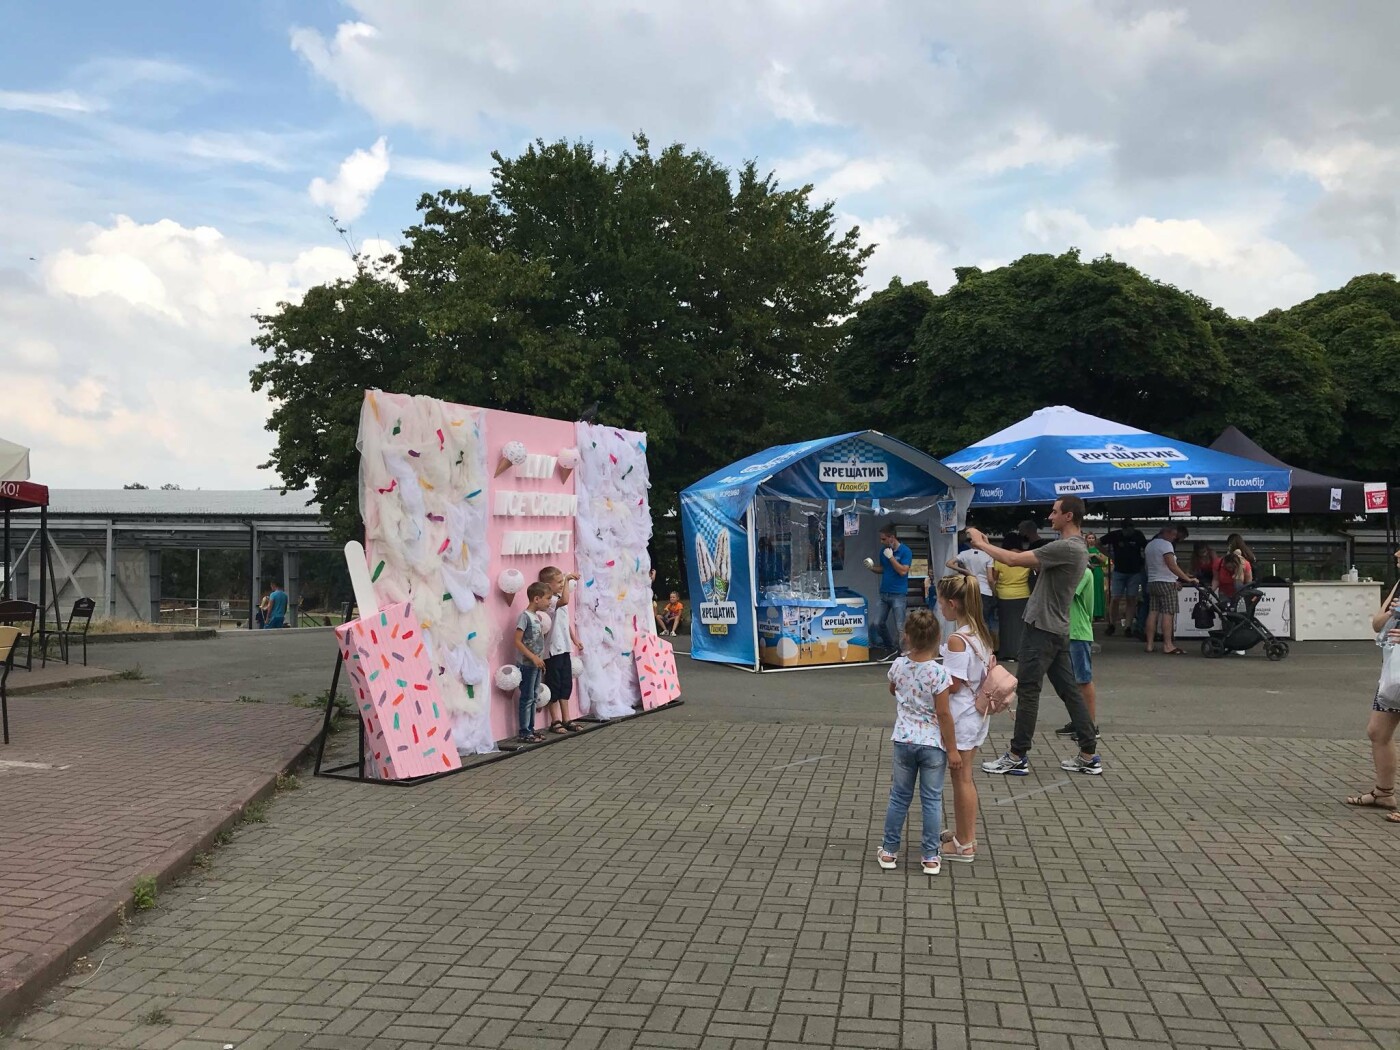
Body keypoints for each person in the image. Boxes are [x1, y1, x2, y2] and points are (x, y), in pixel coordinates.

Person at [967, 495, 1102, 776]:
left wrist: (981, 544)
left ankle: (1017, 755)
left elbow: (1015, 559)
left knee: (1028, 690)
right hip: (1057, 629)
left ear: (1068, 516)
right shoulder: (1073, 549)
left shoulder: (1066, 547)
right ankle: (1088, 754)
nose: (1050, 517)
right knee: (1069, 690)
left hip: (1041, 629)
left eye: (1054, 512)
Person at [875, 609, 957, 876]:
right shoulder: (939, 673)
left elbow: (892, 689)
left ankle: (889, 850)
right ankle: (930, 856)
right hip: (933, 743)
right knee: (931, 800)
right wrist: (953, 749)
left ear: (906, 636)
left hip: (904, 739)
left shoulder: (898, 665)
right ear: (939, 637)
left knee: (899, 797)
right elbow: (944, 713)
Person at [933, 574, 994, 863]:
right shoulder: (979, 632)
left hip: (962, 714)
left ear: (952, 604)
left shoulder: (957, 639)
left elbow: (954, 684)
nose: (939, 606)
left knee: (962, 779)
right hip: (976, 713)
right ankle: (962, 834)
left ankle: (965, 843)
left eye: (941, 601)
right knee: (964, 777)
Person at [1345, 550, 1400, 821]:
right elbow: (1377, 623)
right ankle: (1384, 792)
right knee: (1377, 730)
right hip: (1394, 672)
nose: (1397, 553)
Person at [1056, 567, 1100, 740]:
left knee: (1083, 679)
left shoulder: (1081, 572)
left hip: (1078, 632)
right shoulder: (1073, 571)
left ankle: (1090, 725)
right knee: (1071, 681)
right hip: (1068, 630)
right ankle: (1079, 721)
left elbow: (1064, 593)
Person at [539, 567, 584, 734]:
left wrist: (575, 640)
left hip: (564, 647)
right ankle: (555, 720)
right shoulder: (550, 602)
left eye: (561, 582)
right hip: (552, 649)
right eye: (558, 582)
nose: (561, 585)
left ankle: (567, 718)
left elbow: (565, 623)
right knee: (554, 683)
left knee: (566, 683)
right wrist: (567, 579)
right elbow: (564, 601)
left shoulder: (559, 599)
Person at [1144, 525, 1195, 655]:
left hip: (1152, 581)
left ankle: (1149, 644)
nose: (1174, 538)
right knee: (1168, 613)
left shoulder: (1150, 545)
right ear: (1165, 533)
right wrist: (1186, 579)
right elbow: (1171, 565)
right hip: (1166, 583)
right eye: (1173, 534)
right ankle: (1168, 645)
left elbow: (1148, 566)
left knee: (1153, 612)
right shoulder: (1166, 545)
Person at [513, 582, 553, 743]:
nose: (549, 602)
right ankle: (524, 732)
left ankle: (531, 729)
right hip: (527, 665)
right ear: (537, 598)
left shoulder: (536, 617)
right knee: (527, 697)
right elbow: (517, 641)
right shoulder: (525, 616)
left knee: (534, 696)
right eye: (548, 598)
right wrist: (533, 657)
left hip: (536, 664)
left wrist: (540, 659)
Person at [865, 523, 912, 660]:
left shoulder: (905, 551)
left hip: (898, 594)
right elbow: (884, 569)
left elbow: (903, 571)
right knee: (877, 623)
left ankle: (904, 653)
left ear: (892, 537)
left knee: (900, 626)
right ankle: (890, 647)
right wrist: (872, 567)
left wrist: (891, 558)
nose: (882, 542)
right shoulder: (884, 551)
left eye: (884, 539)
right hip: (884, 593)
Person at [946, 533, 998, 647]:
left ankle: (971, 645)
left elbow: (949, 563)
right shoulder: (987, 556)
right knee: (984, 621)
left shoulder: (965, 554)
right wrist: (994, 591)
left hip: (970, 588)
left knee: (970, 619)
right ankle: (986, 647)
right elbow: (990, 578)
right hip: (985, 591)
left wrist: (965, 571)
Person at [1101, 519, 1148, 637]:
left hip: (1134, 571)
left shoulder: (1138, 535)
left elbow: (1147, 548)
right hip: (1119, 571)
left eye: (1130, 528)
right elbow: (1098, 542)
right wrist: (1110, 556)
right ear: (1123, 529)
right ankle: (1112, 624)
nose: (1129, 531)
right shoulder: (1115, 535)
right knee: (1115, 598)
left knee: (1131, 599)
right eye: (1127, 529)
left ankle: (1128, 626)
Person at [992, 534, 1032, 661]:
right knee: (1021, 627)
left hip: (1004, 595)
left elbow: (994, 578)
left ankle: (1005, 653)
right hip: (1023, 594)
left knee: (1005, 626)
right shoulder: (1026, 557)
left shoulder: (1000, 559)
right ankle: (1020, 653)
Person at [1084, 531, 1108, 621]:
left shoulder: (1099, 550)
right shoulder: (1084, 549)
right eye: (1089, 538)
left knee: (1098, 591)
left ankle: (1099, 614)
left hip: (1098, 571)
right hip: (1088, 571)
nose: (1091, 540)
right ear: (1086, 539)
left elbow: (1105, 560)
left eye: (1092, 538)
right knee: (1089, 592)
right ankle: (1091, 613)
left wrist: (1095, 555)